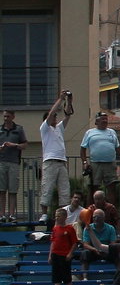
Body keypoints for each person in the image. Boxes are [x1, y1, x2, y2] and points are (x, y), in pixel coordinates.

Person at [38, 90, 73, 221]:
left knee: (64, 189)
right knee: (47, 187)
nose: (55, 118)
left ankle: (63, 215)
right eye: (53, 117)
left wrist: (69, 102)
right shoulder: (44, 128)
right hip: (50, 161)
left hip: (61, 162)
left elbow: (68, 116)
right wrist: (60, 99)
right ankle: (44, 213)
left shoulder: (58, 128)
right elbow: (52, 112)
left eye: (56, 117)